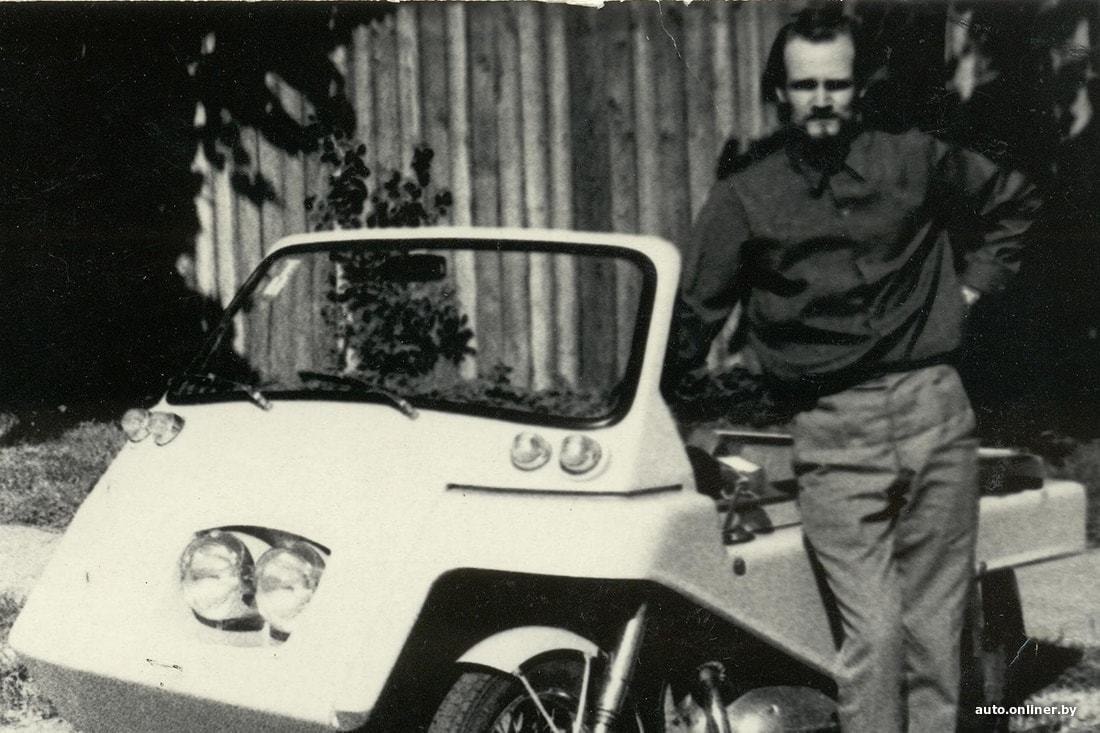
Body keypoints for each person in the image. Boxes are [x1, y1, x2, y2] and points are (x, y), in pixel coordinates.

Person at [665, 5, 1042, 732]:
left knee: (937, 638)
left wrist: (970, 290)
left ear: (857, 88)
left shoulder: (912, 159)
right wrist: (670, 408)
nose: (822, 100)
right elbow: (694, 315)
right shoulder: (745, 197)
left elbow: (1013, 202)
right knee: (875, 636)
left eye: (835, 84)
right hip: (835, 431)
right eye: (806, 86)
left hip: (935, 411)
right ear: (781, 93)